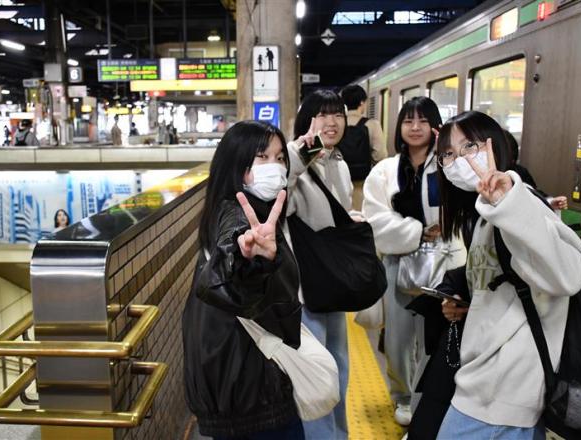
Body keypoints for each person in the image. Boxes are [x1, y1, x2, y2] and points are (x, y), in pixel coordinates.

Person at [434, 110, 581, 439]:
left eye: (469, 146)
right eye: (448, 153)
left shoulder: (518, 204)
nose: (458, 159)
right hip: (492, 384)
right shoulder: (482, 215)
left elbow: (570, 275)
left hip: (502, 389)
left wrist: (508, 202)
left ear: (495, 147)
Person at [182, 120, 304, 439]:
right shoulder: (237, 214)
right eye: (262, 157)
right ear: (237, 165)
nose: (274, 167)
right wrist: (250, 262)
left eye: (280, 158)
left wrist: (317, 143)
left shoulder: (247, 207)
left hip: (243, 381)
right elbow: (233, 264)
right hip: (252, 389)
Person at [362, 97, 466, 427]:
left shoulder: (450, 166)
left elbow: (465, 206)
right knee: (399, 338)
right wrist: (418, 231)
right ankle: (403, 397)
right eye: (409, 121)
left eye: (423, 120)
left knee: (440, 333)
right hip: (399, 263)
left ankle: (435, 398)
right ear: (400, 127)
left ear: (436, 127)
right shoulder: (386, 170)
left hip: (447, 262)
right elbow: (375, 220)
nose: (416, 127)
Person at [286, 89, 357, 439]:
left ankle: (338, 434)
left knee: (340, 367)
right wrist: (304, 153)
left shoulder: (339, 164)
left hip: (335, 281)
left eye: (338, 114)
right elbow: (277, 200)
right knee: (317, 374)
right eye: (322, 114)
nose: (332, 122)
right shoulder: (295, 160)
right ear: (307, 120)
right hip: (305, 287)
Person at [339, 84, 388, 210]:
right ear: (362, 103)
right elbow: (380, 155)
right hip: (362, 184)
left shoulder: (337, 124)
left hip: (339, 183)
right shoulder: (372, 124)